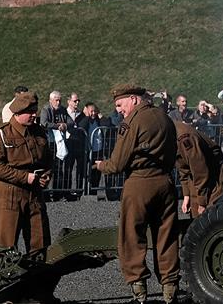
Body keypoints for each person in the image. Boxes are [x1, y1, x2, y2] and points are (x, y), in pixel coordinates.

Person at [94, 84, 180, 304]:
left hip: (140, 183)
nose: (119, 110)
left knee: (131, 237)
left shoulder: (133, 121)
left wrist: (102, 165)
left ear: (133, 99)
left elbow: (118, 163)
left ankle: (139, 291)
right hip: (166, 182)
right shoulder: (164, 117)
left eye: (120, 105)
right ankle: (170, 290)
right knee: (167, 237)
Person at [0, 92, 52, 252]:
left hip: (34, 195)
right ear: (18, 112)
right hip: (10, 196)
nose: (34, 115)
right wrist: (25, 177)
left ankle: (37, 277)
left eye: (35, 110)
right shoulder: (2, 133)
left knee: (41, 247)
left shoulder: (39, 132)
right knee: (7, 250)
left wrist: (46, 175)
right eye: (30, 112)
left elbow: (49, 159)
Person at [173, 119, 223, 217]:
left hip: (212, 180)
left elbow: (200, 170)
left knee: (210, 219)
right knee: (197, 218)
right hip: (197, 181)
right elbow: (183, 166)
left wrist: (202, 202)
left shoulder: (184, 137)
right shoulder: (171, 134)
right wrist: (186, 195)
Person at [40, 90, 69, 199]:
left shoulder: (62, 110)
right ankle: (45, 193)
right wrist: (58, 126)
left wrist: (64, 125)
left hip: (59, 144)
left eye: (60, 100)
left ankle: (57, 193)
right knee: (47, 168)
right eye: (56, 100)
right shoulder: (45, 109)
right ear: (51, 100)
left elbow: (70, 121)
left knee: (58, 168)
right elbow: (44, 123)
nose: (58, 102)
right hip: (48, 143)